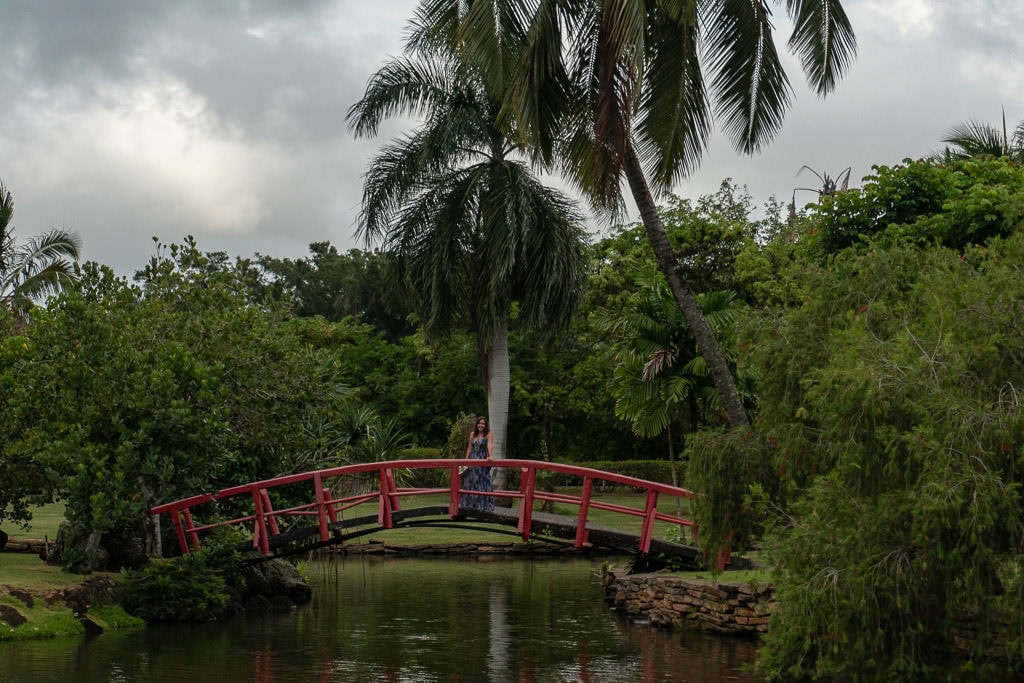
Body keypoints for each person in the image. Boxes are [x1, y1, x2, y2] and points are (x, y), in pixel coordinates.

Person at [461, 416, 494, 511]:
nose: (481, 425)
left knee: (482, 481)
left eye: (483, 424)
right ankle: (470, 505)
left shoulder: (488, 434)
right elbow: (469, 448)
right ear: (476, 424)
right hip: (472, 460)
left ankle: (483, 505)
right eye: (479, 423)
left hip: (482, 460)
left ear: (485, 425)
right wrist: (465, 460)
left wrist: (490, 456)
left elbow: (490, 445)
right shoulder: (472, 434)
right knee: (471, 481)